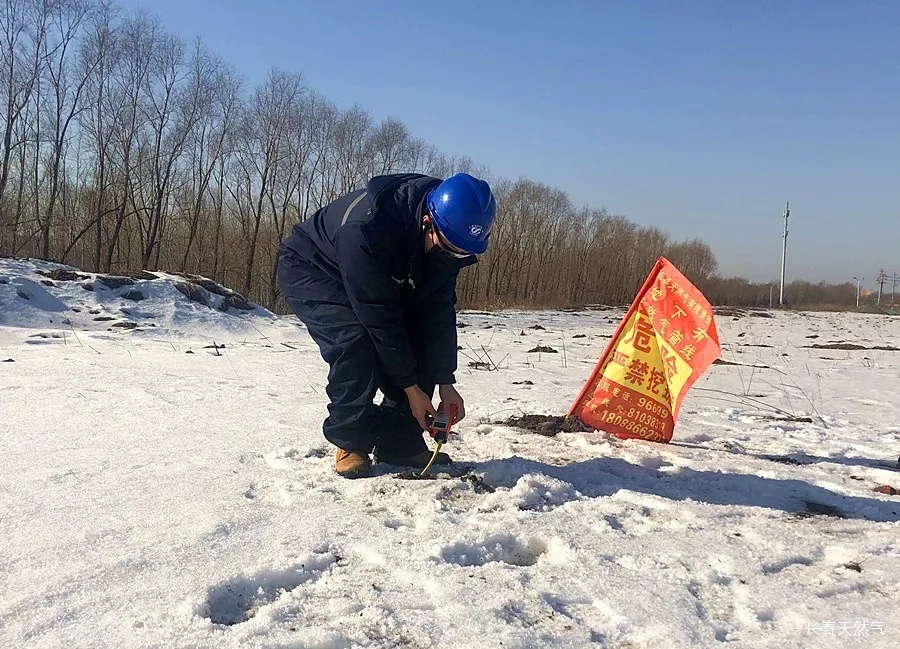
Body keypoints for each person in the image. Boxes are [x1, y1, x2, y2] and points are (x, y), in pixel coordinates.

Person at [277, 172, 497, 478]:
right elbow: (380, 319)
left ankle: (400, 443)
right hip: (313, 269)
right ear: (427, 221)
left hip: (376, 273)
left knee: (419, 337)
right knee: (355, 342)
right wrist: (411, 389)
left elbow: (438, 312)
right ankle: (350, 441)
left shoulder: (447, 234)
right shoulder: (367, 229)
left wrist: (445, 381)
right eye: (449, 248)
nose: (453, 257)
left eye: (462, 252)